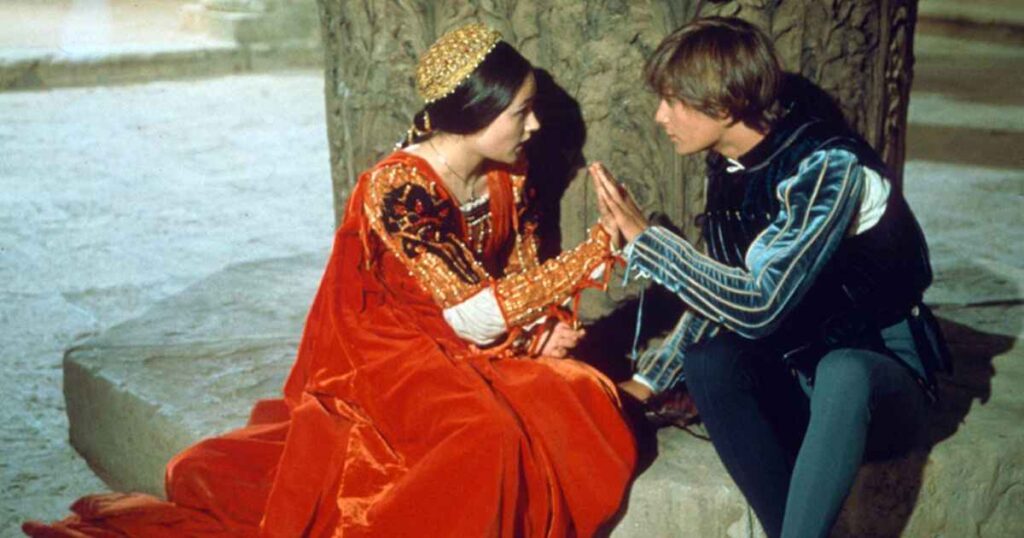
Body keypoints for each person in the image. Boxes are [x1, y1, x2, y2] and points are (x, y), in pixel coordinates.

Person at [25, 23, 636, 538]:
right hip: (387, 349)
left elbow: (520, 271)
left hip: (475, 337)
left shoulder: (511, 170)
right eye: (520, 113)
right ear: (473, 115)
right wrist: (596, 252)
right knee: (487, 435)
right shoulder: (397, 188)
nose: (533, 127)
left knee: (574, 395)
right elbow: (468, 315)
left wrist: (542, 332)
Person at [590, 16, 951, 538]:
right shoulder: (732, 169)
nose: (659, 115)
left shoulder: (826, 167)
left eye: (674, 100)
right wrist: (647, 383)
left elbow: (761, 305)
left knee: (845, 371)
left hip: (880, 387)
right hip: (799, 375)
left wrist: (650, 240)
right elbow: (721, 292)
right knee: (709, 362)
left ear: (724, 104)